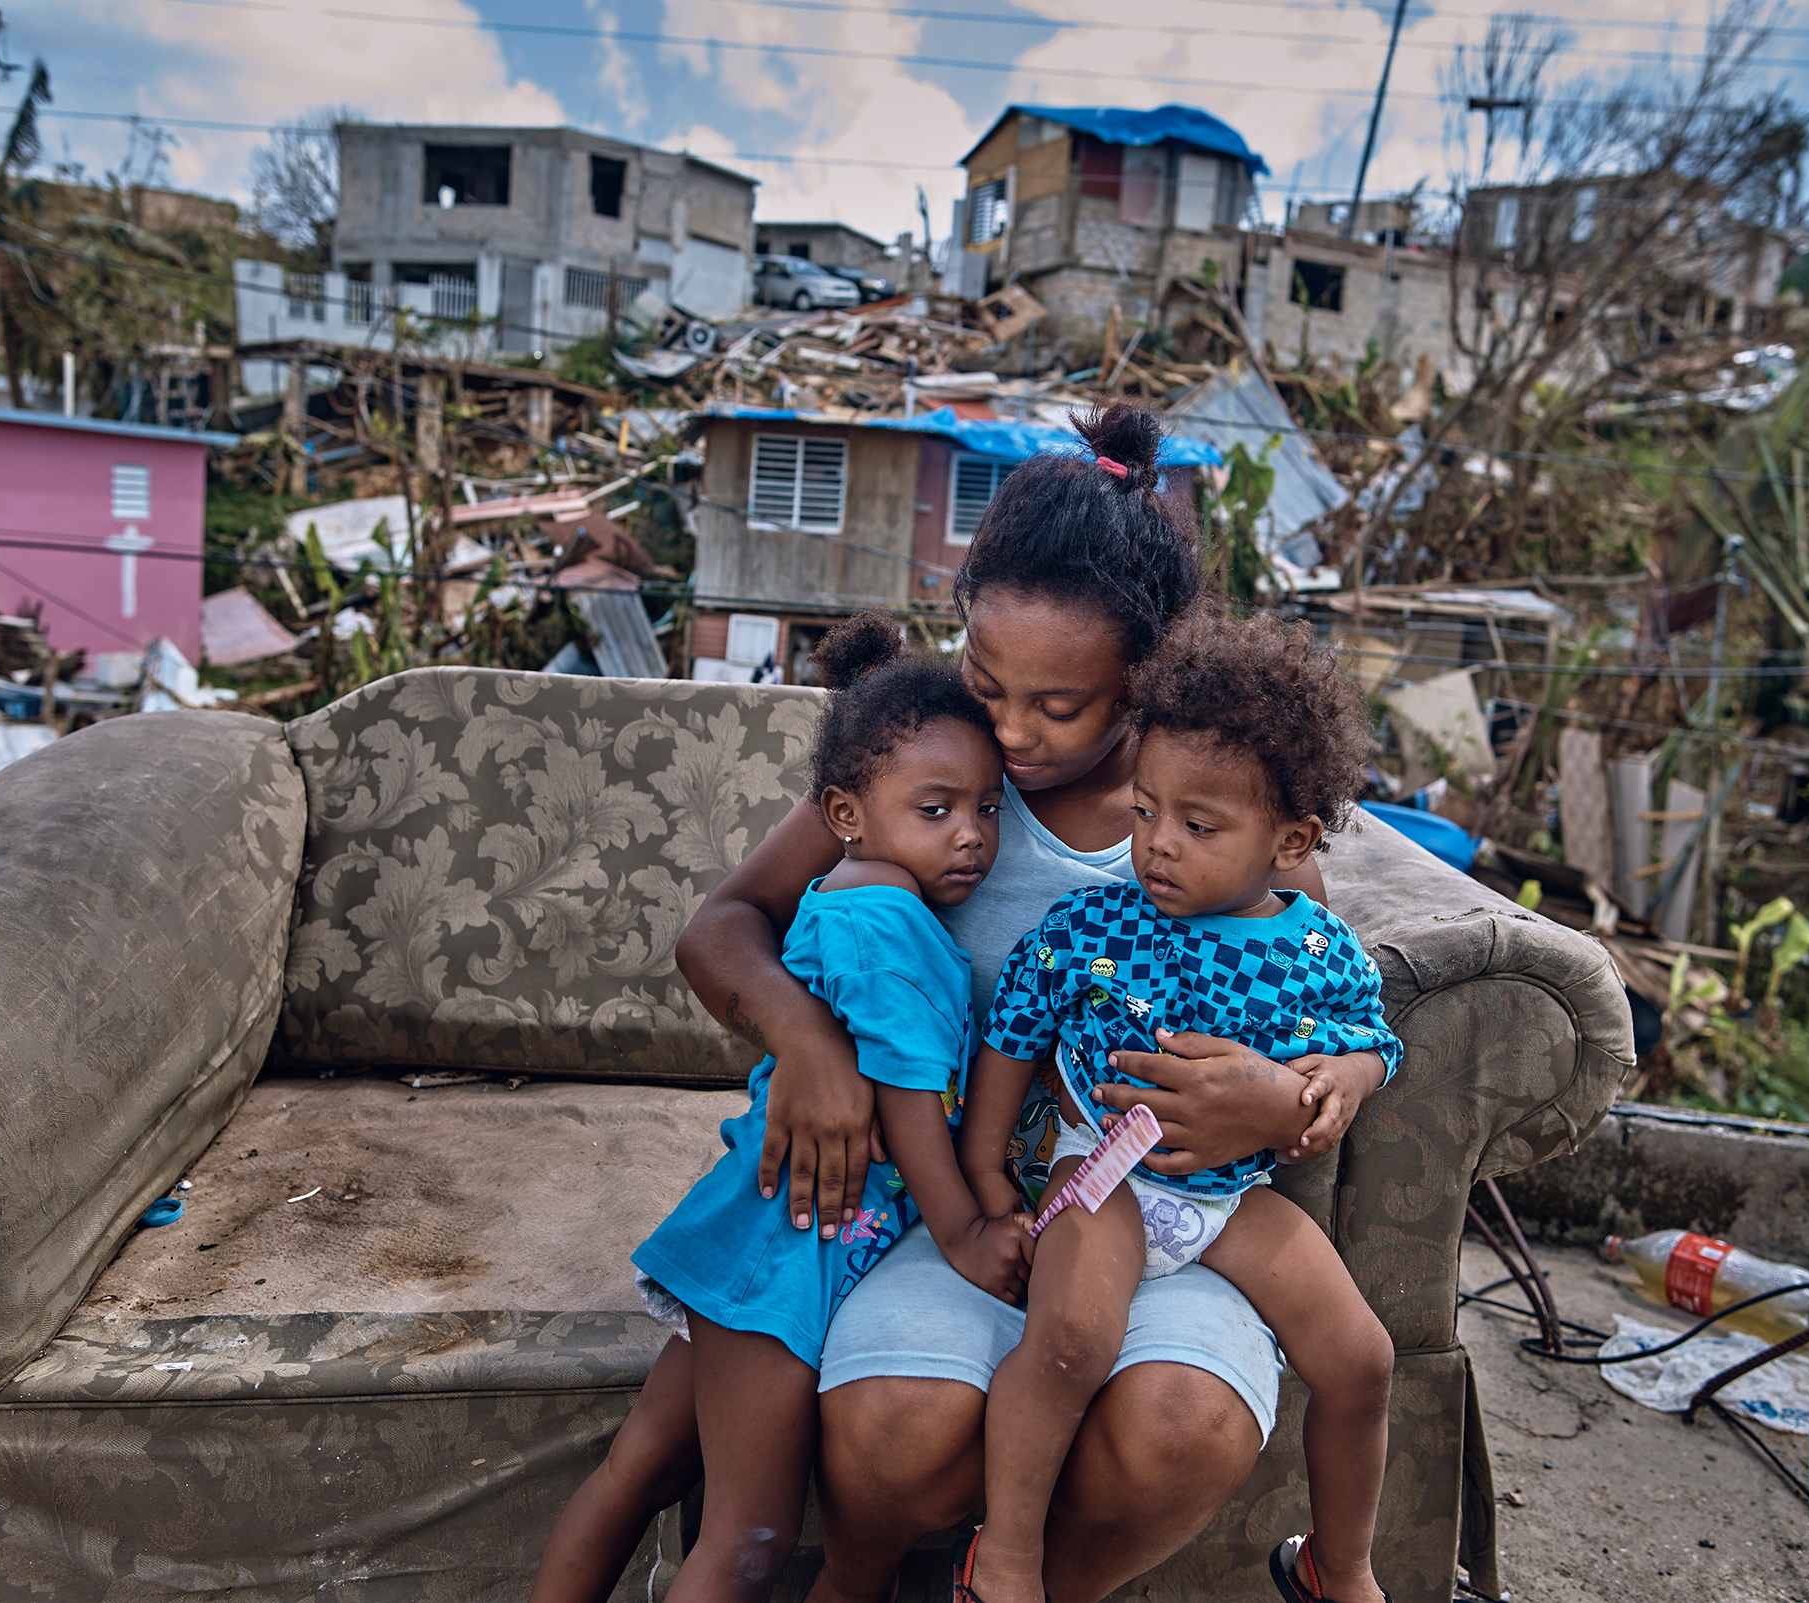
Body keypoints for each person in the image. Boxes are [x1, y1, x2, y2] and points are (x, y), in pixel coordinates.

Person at [675, 405, 1400, 1603]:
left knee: (1184, 1422)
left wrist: (1279, 1103)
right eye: (984, 679)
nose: (1009, 732)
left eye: (1056, 707)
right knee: (897, 1423)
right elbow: (720, 927)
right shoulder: (936, 767)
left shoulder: (1216, 828)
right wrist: (804, 1038)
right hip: (949, 1201)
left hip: (1177, 1218)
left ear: (1145, 677)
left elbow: (1325, 1021)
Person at [530, 613, 1024, 1603]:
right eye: (935, 809)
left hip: (762, 1227)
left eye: (985, 807)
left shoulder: (848, 897)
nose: (970, 833)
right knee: (747, 1538)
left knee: (643, 1468)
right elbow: (906, 1097)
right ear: (844, 811)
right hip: (794, 1244)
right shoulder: (891, 925)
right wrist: (965, 1231)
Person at [956, 612, 1401, 1603]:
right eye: (1145, 809)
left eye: (1198, 827)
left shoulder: (1319, 948)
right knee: (1070, 1336)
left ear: (1289, 840)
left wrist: (1344, 1082)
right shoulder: (1094, 924)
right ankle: (1009, 1556)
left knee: (1360, 1356)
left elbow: (1369, 1040)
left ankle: (1342, 1566)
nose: (1155, 845)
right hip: (1095, 1171)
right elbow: (1013, 1030)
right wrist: (986, 1169)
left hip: (1226, 1199)